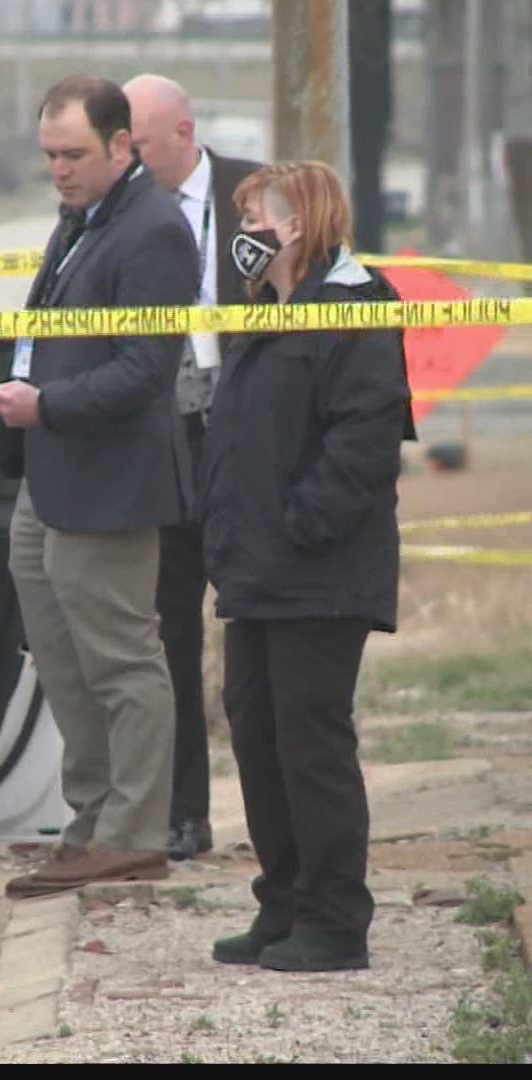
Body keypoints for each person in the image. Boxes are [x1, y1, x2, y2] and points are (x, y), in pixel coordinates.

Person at [0, 75, 200, 898]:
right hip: (50, 474)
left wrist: (47, 405)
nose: (60, 171)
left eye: (74, 155)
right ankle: (90, 823)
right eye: (49, 156)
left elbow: (146, 372)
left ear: (123, 147)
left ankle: (135, 830)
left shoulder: (153, 231)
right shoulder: (81, 219)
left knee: (122, 660)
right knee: (63, 662)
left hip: (107, 482)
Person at [198, 161, 414, 972]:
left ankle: (333, 919)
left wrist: (300, 526)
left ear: (298, 225)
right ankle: (283, 903)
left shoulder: (355, 306)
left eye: (256, 221)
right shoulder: (265, 314)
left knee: (310, 745)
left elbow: (363, 439)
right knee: (258, 738)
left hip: (318, 571)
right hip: (254, 570)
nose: (244, 238)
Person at [124, 73, 266, 863]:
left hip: (244, 440)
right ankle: (184, 813)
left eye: (138, 145)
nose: (130, 160)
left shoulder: (256, 192)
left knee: (258, 631)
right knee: (167, 636)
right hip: (166, 444)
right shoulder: (116, 214)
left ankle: (275, 810)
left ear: (183, 132)